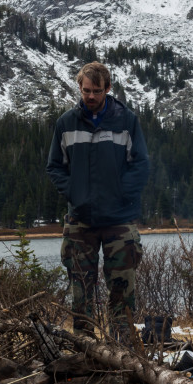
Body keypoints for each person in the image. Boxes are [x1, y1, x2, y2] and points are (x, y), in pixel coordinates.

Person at [46, 61, 149, 339]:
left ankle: (125, 354)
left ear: (108, 89)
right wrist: (76, 193)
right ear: (79, 88)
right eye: (85, 90)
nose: (90, 97)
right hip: (80, 220)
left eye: (96, 91)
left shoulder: (126, 121)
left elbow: (141, 165)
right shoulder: (65, 123)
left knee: (122, 292)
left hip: (119, 221)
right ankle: (84, 352)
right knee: (81, 293)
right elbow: (54, 166)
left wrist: (120, 195)